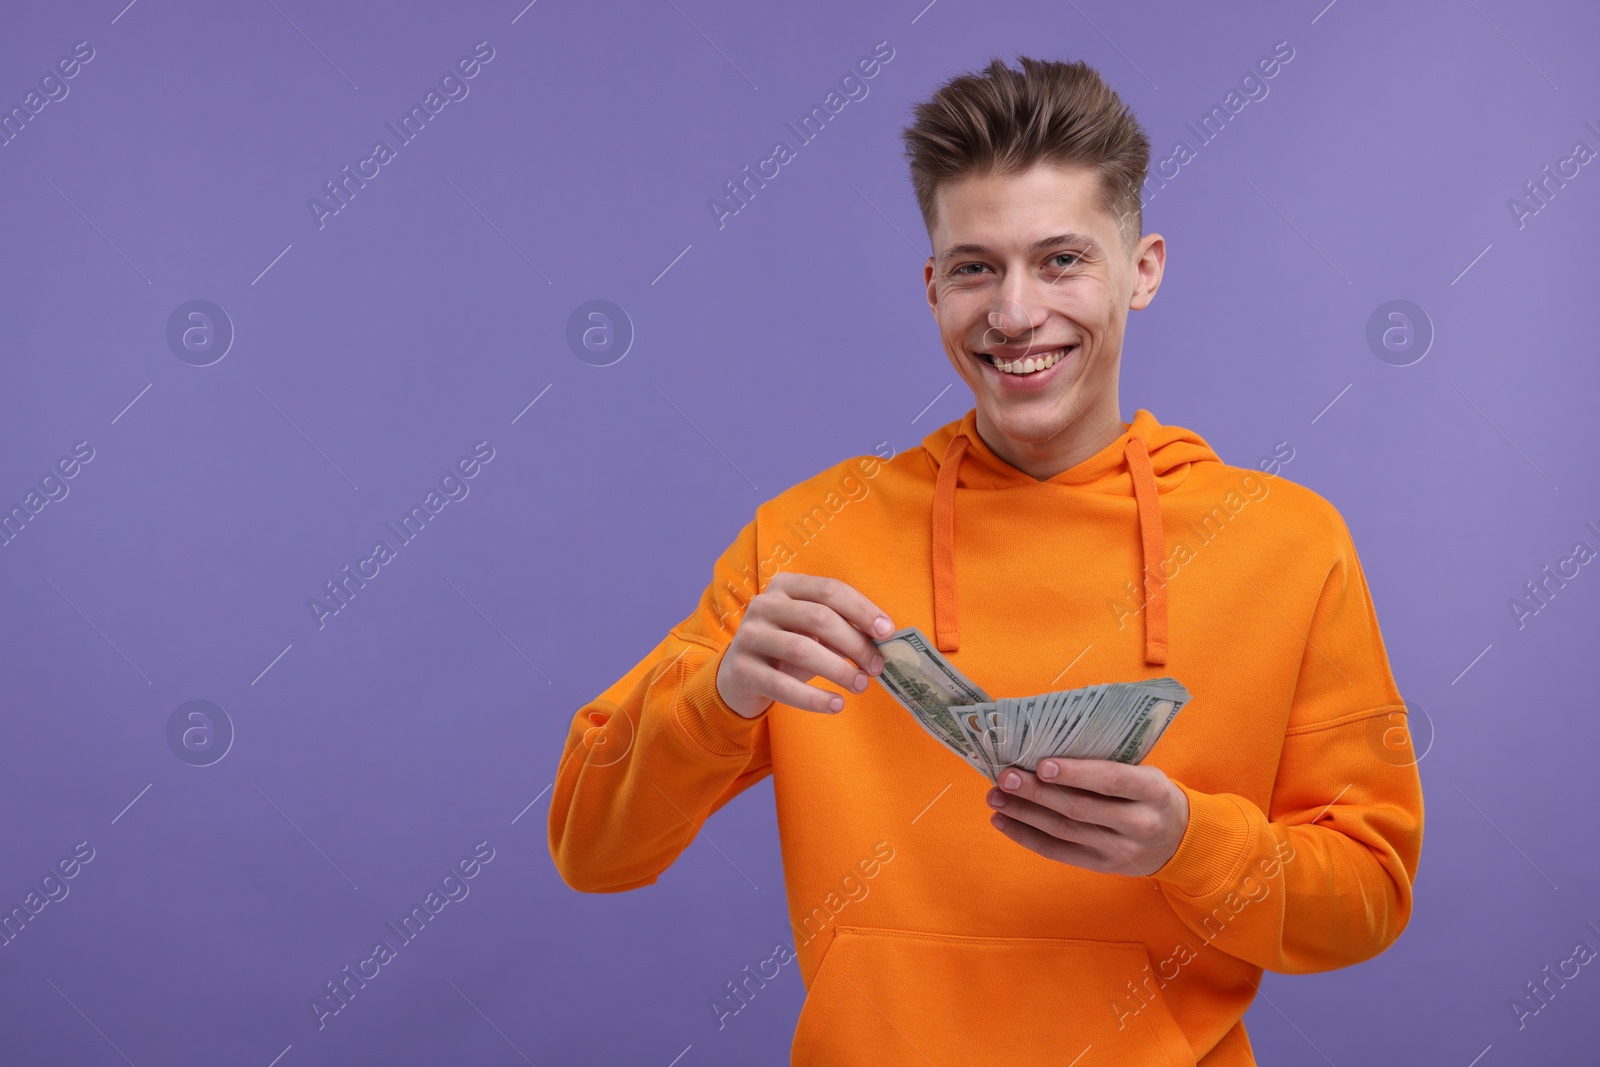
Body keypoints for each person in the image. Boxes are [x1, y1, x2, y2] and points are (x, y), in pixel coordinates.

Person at [549, 54, 1424, 1066]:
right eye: (975, 267)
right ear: (932, 286)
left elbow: (1367, 900)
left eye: (1061, 260)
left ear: (1140, 270)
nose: (1013, 312)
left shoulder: (1287, 543)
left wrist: (1190, 843)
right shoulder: (807, 538)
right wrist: (718, 697)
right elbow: (592, 849)